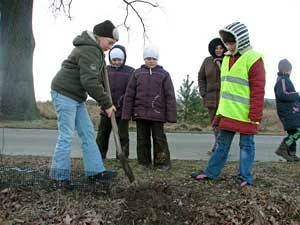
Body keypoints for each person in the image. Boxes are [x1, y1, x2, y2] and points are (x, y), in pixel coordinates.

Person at [191, 22, 266, 187]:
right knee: (221, 144)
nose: (229, 46)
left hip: (246, 114)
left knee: (246, 146)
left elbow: (258, 90)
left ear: (242, 40)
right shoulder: (225, 58)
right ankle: (211, 172)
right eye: (227, 43)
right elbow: (225, 88)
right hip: (227, 112)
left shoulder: (254, 59)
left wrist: (255, 114)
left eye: (232, 43)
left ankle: (245, 177)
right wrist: (219, 111)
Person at [50, 20, 119, 185]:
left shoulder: (96, 51)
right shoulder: (89, 50)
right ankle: (59, 178)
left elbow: (97, 79)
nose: (110, 47)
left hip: (76, 96)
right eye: (110, 42)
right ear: (100, 37)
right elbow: (89, 82)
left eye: (113, 44)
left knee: (87, 133)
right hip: (64, 93)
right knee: (66, 136)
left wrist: (106, 101)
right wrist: (107, 103)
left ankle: (95, 172)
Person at [122, 46, 177, 170]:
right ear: (144, 59)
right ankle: (143, 163)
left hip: (158, 114)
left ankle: (162, 163)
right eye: (148, 58)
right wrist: (126, 114)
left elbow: (170, 95)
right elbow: (129, 94)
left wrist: (171, 115)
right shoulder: (137, 74)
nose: (151, 61)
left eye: (153, 58)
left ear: (157, 59)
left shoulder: (164, 74)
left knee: (159, 139)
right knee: (142, 140)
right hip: (140, 114)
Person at [96, 45, 134, 159]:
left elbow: (132, 91)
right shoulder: (105, 71)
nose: (117, 62)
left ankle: (123, 157)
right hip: (106, 110)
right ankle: (99, 156)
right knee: (102, 134)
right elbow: (98, 87)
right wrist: (102, 102)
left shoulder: (130, 72)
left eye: (119, 60)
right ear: (110, 59)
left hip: (122, 111)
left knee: (122, 136)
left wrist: (127, 107)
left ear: (124, 59)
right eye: (114, 60)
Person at [198, 38, 226, 154]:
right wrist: (203, 92)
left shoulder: (228, 60)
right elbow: (201, 77)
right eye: (216, 48)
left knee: (223, 124)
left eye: (221, 48)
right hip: (210, 98)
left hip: (225, 98)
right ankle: (217, 144)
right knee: (214, 123)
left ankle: (221, 147)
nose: (218, 50)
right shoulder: (207, 61)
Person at [274, 59, 300, 162]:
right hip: (287, 113)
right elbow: (283, 95)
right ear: (287, 70)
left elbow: (291, 96)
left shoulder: (284, 80)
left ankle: (292, 154)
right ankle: (283, 148)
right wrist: (297, 94)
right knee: (297, 131)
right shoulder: (283, 80)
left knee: (293, 132)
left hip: (292, 112)